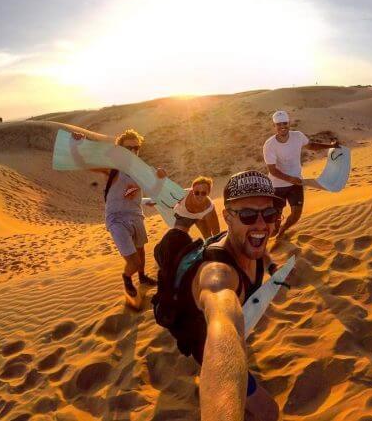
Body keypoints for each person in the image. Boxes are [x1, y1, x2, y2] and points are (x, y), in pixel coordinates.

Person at [153, 171, 284, 421]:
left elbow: (261, 250)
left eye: (269, 214)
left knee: (179, 233)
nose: (260, 224)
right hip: (203, 342)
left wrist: (271, 266)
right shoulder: (218, 276)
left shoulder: (245, 241)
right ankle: (182, 219)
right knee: (268, 412)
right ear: (227, 217)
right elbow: (222, 324)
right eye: (247, 215)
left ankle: (182, 224)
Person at [72, 129, 165, 299]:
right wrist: (77, 144)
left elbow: (155, 190)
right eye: (128, 148)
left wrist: (160, 179)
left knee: (141, 251)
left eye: (136, 148)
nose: (133, 152)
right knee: (133, 262)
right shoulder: (113, 168)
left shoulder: (141, 171)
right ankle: (127, 278)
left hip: (136, 215)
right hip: (117, 219)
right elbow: (82, 162)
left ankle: (142, 278)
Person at [263, 110, 338, 238]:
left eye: (285, 123)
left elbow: (312, 146)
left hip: (295, 184)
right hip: (277, 186)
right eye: (279, 124)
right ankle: (275, 230)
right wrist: (290, 178)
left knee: (296, 215)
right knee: (274, 225)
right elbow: (272, 170)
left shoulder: (298, 136)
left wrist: (331, 146)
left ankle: (282, 231)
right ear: (274, 126)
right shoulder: (269, 145)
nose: (282, 126)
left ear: (289, 123)